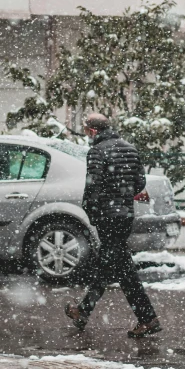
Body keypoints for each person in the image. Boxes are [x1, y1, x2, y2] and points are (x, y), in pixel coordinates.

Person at [65, 113, 161, 338]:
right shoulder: (130, 148)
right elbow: (139, 182)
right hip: (125, 215)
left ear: (93, 131)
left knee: (119, 267)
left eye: (88, 130)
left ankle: (147, 318)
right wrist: (123, 194)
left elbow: (93, 185)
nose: (88, 135)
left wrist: (91, 213)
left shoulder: (97, 151)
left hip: (107, 216)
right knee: (112, 264)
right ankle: (83, 311)